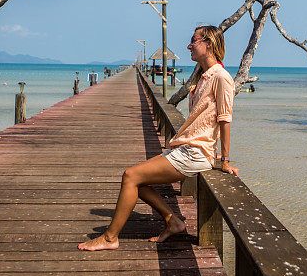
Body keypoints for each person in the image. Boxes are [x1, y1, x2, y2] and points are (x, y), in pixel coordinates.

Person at [78, 25, 239, 251]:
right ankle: (172, 221)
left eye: (194, 41)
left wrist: (224, 160)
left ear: (208, 44)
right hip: (184, 148)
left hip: (195, 153)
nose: (189, 45)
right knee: (137, 180)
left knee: (130, 176)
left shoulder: (221, 77)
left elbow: (224, 118)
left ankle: (109, 238)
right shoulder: (204, 77)